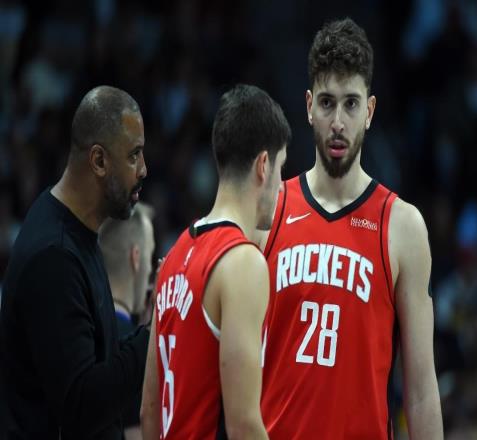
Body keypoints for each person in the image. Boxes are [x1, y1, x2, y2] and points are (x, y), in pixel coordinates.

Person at [259, 18, 443, 439]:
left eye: (351, 104)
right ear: (309, 107)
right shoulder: (268, 211)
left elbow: (420, 390)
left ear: (370, 111)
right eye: (327, 103)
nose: (338, 122)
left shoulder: (403, 226)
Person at [140, 84, 290, 439]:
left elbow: (149, 412)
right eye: (281, 169)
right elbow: (243, 424)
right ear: (263, 165)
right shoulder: (242, 262)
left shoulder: (174, 256)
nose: (282, 185)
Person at [0, 85, 150, 439]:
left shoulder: (74, 229)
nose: (144, 169)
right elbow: (81, 406)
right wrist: (155, 336)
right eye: (134, 155)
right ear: (98, 161)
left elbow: (98, 361)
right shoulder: (54, 258)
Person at [98, 201, 156, 439]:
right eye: (151, 256)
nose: (150, 271)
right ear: (136, 257)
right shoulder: (134, 351)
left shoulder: (78, 331)